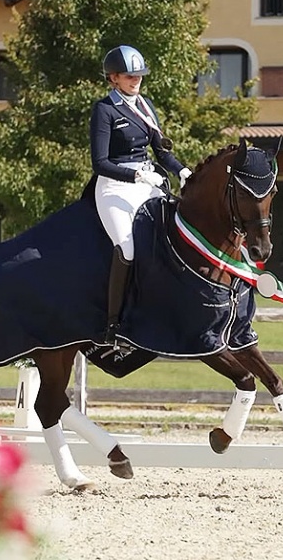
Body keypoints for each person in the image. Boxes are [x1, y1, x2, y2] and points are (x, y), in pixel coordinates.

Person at [90, 45, 192, 345]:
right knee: (128, 248)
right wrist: (135, 175)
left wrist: (182, 171)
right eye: (129, 75)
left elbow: (161, 152)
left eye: (139, 75)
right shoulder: (104, 109)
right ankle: (113, 324)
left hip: (148, 181)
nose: (136, 80)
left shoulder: (146, 107)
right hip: (114, 186)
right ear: (113, 78)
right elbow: (100, 163)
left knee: (175, 235)